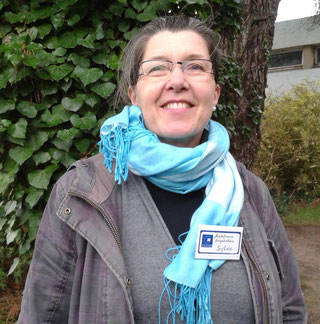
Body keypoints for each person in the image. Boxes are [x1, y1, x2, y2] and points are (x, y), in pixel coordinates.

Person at [18, 15, 307, 324]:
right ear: (134, 96)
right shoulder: (82, 191)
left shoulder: (251, 192)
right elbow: (42, 315)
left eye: (195, 66)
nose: (178, 81)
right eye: (157, 68)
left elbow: (289, 310)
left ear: (216, 94)